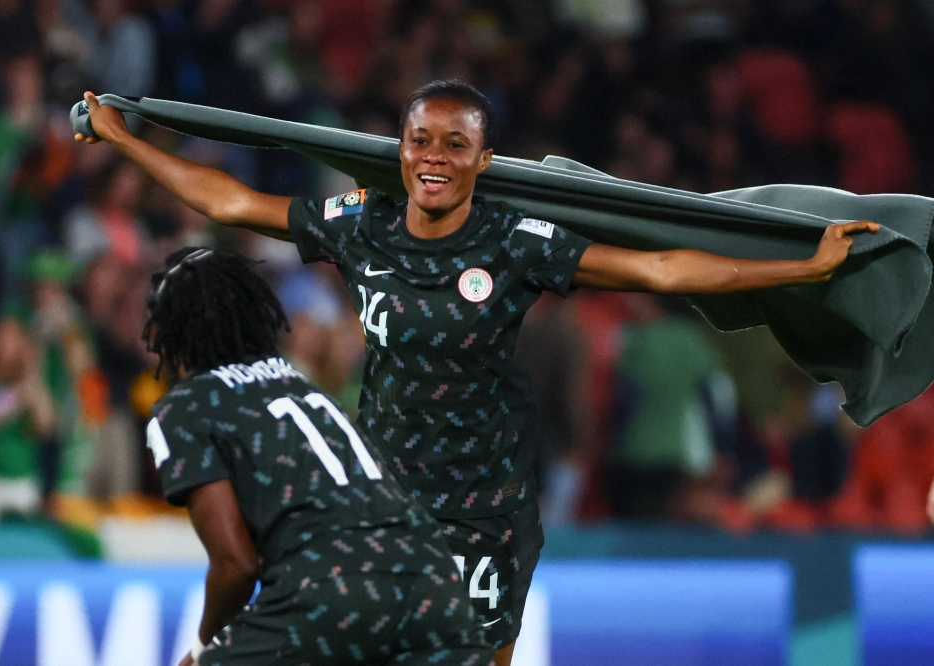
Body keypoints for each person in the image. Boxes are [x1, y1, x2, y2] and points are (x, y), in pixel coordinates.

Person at [77, 79, 878, 665]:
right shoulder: (362, 226)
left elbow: (663, 271)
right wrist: (127, 140)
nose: (432, 157)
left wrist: (803, 270)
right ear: (401, 149)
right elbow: (230, 203)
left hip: (484, 512)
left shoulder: (516, 242)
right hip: (381, 511)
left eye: (453, 144)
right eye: (420, 140)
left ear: (481, 159)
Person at [142, 247, 493, 666]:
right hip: (433, 579)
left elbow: (236, 564)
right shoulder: (302, 384)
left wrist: (203, 650)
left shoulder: (186, 406)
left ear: (173, 334)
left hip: (329, 587)